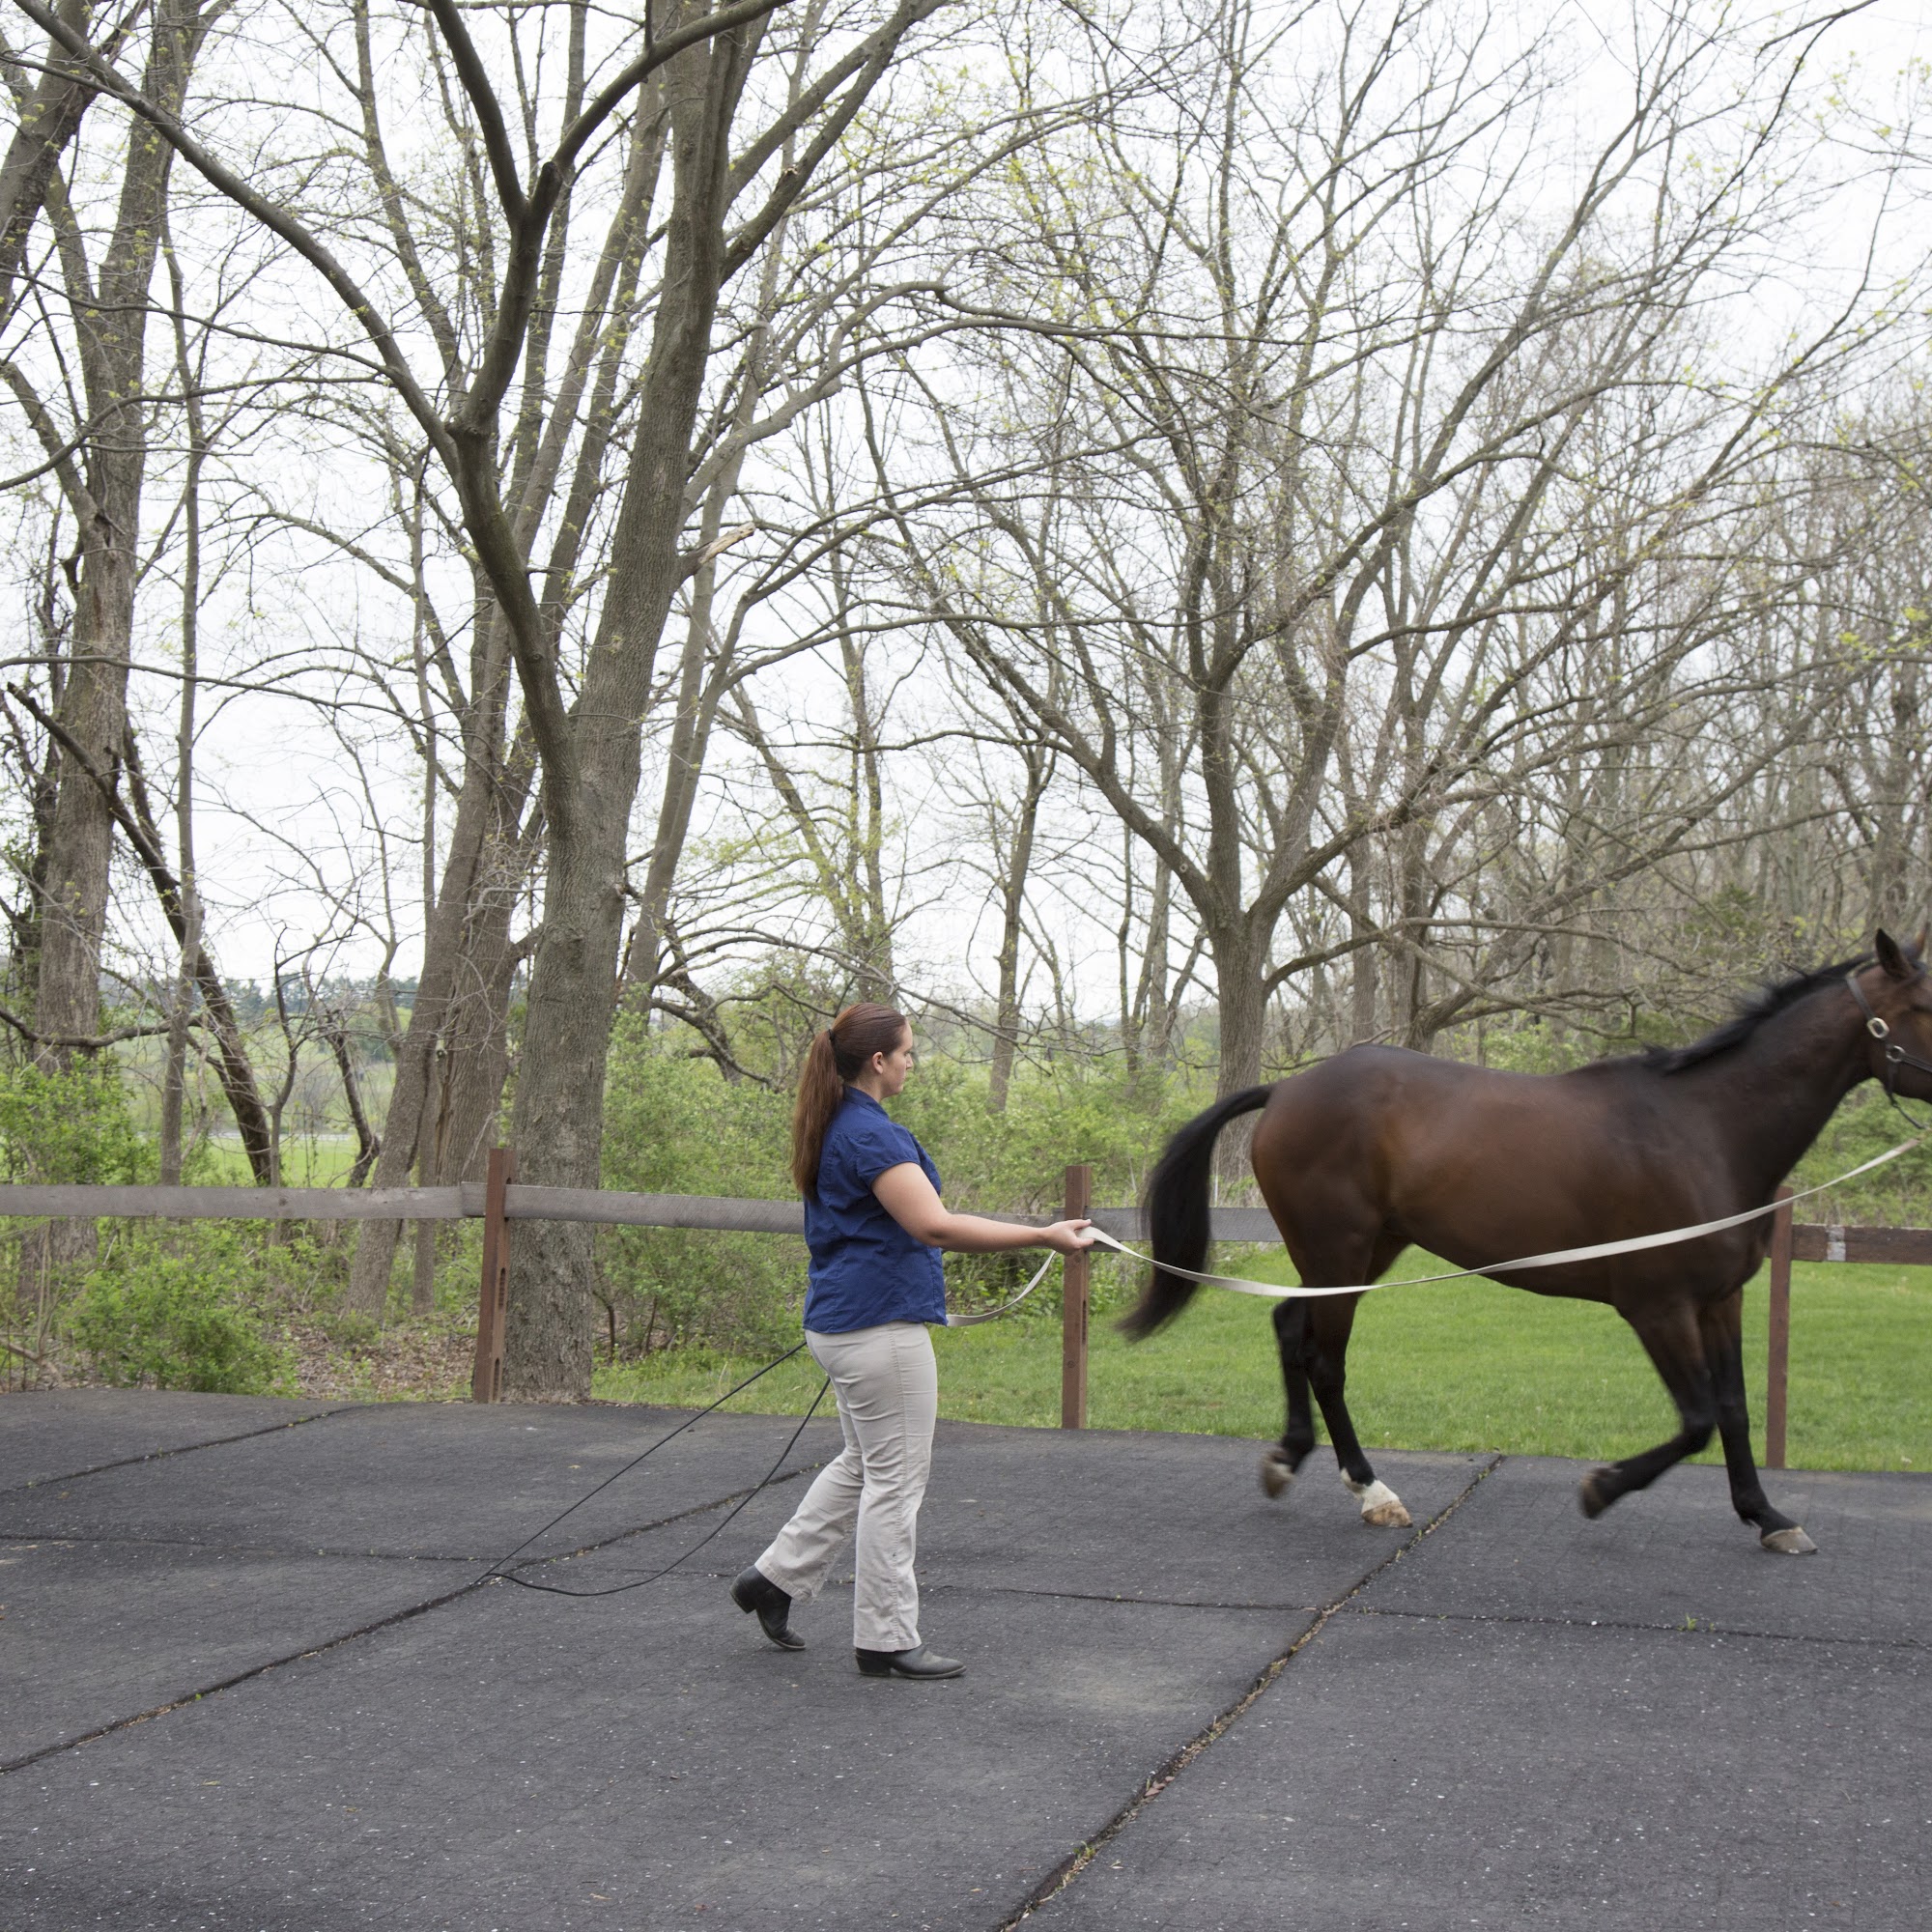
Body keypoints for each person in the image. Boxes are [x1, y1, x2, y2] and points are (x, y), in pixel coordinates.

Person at [731, 1001, 1094, 1680]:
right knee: (895, 1482)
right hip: (877, 1334)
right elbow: (934, 1226)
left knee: (863, 1465)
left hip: (844, 1326)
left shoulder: (841, 1121)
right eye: (907, 1053)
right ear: (878, 1061)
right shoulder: (869, 1135)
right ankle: (886, 1638)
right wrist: (1045, 1234)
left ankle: (772, 1580)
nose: (911, 1062)